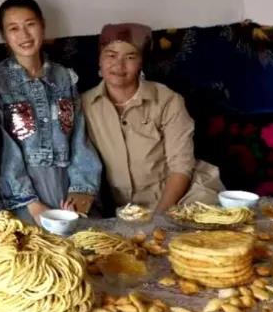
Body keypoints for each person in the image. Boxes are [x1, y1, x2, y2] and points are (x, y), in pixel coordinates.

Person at [82, 23, 223, 212]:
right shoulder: (84, 105)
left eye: (130, 57)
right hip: (125, 208)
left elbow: (181, 167)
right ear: (99, 58)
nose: (119, 65)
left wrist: (159, 218)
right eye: (111, 55)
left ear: (141, 62)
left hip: (182, 196)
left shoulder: (168, 101)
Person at [0, 0, 102, 223]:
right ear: (4, 35)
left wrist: (82, 190)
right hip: (20, 195)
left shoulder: (64, 77)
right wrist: (30, 202)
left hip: (67, 187)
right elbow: (3, 148)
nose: (24, 35)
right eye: (14, 28)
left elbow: (79, 136)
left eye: (30, 24)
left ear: (43, 25)